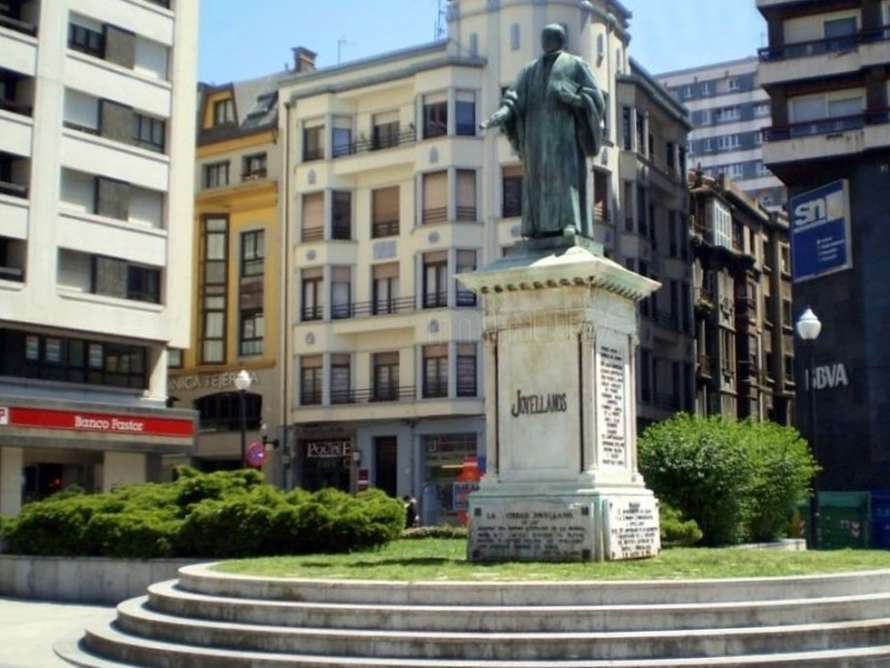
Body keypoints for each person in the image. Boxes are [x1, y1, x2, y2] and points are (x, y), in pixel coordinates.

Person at [481, 24, 605, 240]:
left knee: (566, 178)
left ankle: (570, 222)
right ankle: (538, 227)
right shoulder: (530, 70)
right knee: (537, 179)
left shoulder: (575, 65)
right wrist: (501, 114)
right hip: (536, 138)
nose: (546, 41)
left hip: (564, 136)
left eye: (550, 37)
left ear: (561, 40)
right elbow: (513, 99)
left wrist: (574, 99)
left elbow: (596, 98)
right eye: (544, 37)